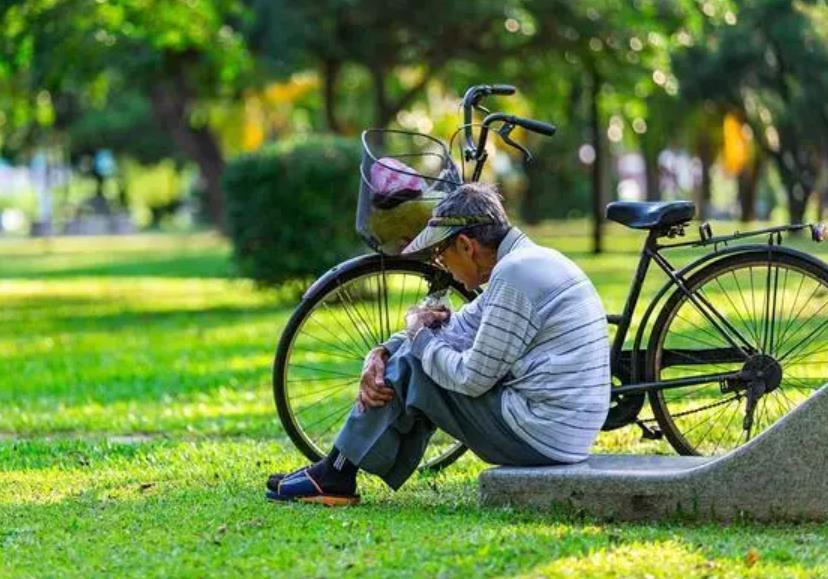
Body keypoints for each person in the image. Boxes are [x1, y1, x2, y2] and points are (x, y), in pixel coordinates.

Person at [266, 183, 611, 505]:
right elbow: (459, 326)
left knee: (415, 362)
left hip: (542, 436)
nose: (440, 263)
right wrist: (383, 350)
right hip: (561, 433)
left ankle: (335, 473)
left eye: (442, 252)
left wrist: (418, 338)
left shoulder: (515, 274)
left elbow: (471, 379)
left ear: (466, 245)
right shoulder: (529, 261)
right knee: (412, 354)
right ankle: (337, 470)